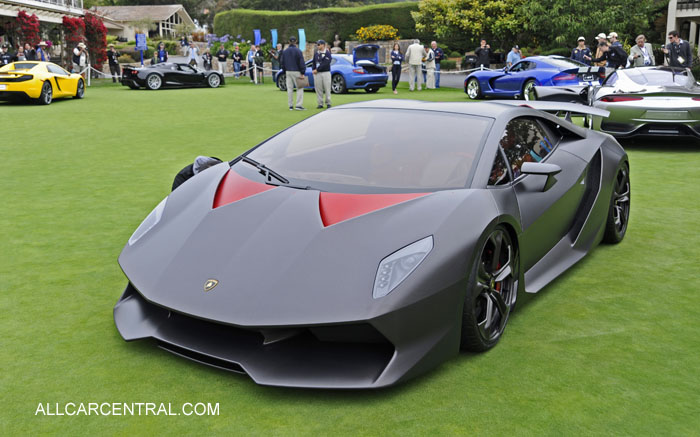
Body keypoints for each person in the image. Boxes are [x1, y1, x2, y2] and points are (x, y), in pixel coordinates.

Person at [280, 36, 305, 110]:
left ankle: (290, 105)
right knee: (300, 88)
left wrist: (284, 70)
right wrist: (303, 72)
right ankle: (298, 105)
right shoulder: (298, 51)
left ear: (289, 42)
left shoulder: (285, 51)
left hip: (288, 72)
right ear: (296, 41)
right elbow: (301, 62)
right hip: (297, 71)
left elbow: (282, 62)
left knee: (290, 89)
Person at [312, 40, 332, 109]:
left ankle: (328, 102)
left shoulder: (327, 53)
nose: (318, 46)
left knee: (327, 88)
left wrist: (317, 70)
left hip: (325, 73)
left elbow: (325, 64)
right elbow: (313, 62)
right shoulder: (316, 53)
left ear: (323, 45)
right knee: (318, 89)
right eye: (317, 44)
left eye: (319, 44)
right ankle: (320, 103)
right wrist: (313, 69)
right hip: (317, 74)